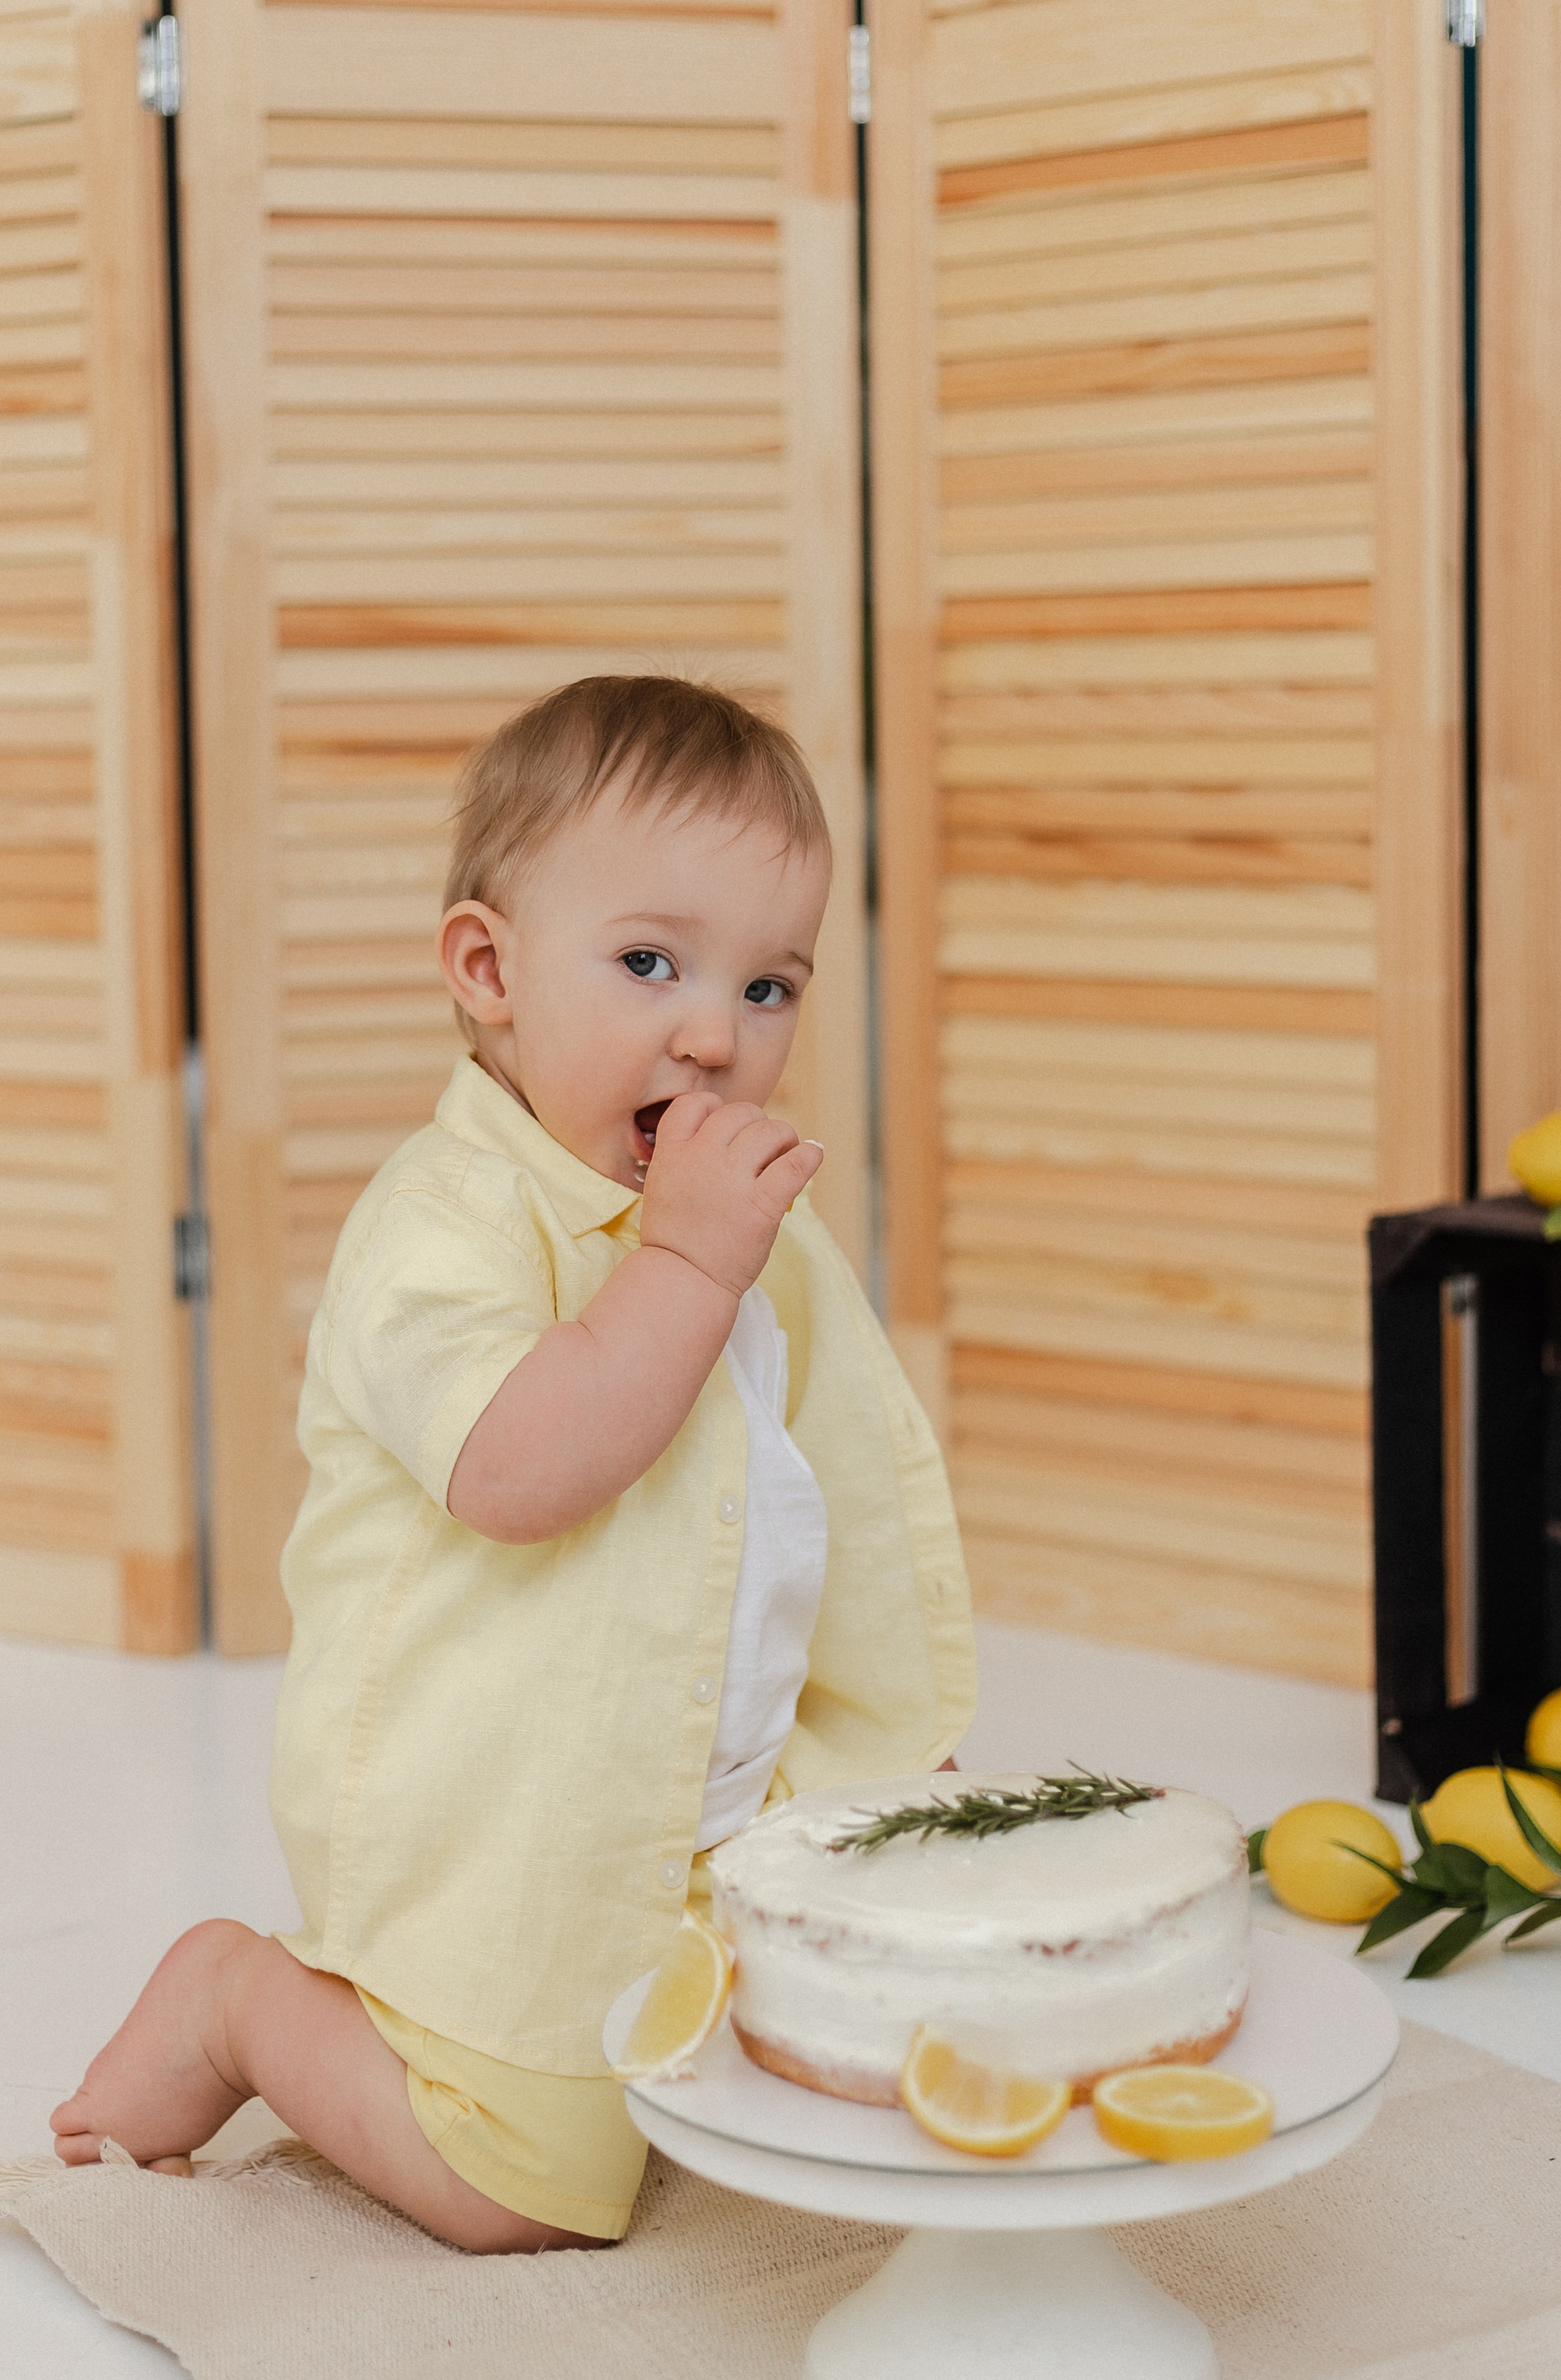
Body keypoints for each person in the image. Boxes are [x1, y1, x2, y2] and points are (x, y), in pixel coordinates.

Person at [50, 675, 975, 2250]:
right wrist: (685, 1268)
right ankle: (240, 2003)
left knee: (879, 2055)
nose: (715, 1035)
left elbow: (827, 1495)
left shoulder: (757, 1234)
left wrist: (889, 1752)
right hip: (509, 1807)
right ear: (489, 970)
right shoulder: (442, 1226)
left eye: (769, 986)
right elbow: (518, 1472)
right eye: (649, 964)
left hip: (722, 1789)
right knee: (527, 2191)